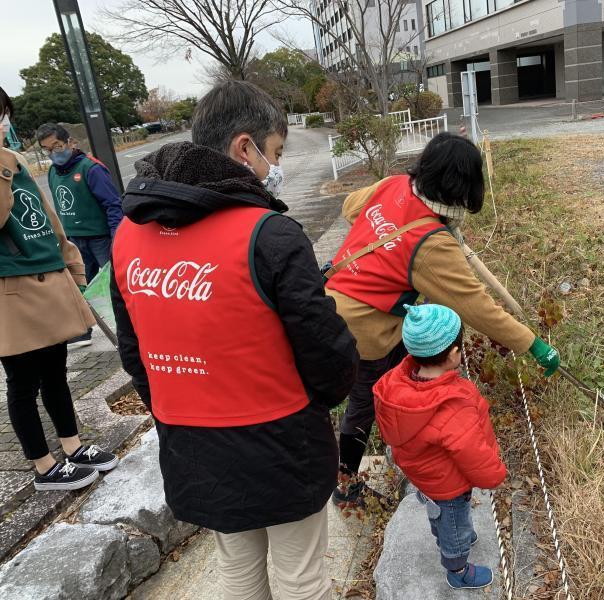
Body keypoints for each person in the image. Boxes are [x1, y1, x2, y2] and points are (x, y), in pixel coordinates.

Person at [110, 80, 359, 600]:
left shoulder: (128, 235)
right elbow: (327, 351)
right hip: (282, 440)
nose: (275, 166)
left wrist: (176, 410)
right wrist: (325, 400)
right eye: (275, 153)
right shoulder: (269, 234)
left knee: (237, 571)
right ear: (245, 147)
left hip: (192, 445)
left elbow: (134, 353)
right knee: (301, 577)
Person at [325, 132, 559, 506]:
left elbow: (351, 206)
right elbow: (478, 306)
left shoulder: (394, 185)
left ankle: (402, 449)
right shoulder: (431, 244)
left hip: (338, 303)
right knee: (366, 402)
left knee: (403, 375)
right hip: (365, 328)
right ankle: (347, 484)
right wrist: (532, 344)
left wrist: (389, 226)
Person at [0, 86, 118, 492]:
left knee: (56, 373)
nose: (3, 124)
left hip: (48, 277)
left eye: (4, 114)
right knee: (22, 384)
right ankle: (43, 465)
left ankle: (73, 445)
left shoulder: (15, 160)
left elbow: (47, 217)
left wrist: (73, 266)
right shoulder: (5, 163)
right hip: (10, 291)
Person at [374, 303, 506, 589]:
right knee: (453, 524)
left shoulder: (396, 387)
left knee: (440, 514)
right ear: (453, 354)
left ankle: (451, 531)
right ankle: (458, 570)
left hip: (425, 475)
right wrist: (494, 475)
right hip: (449, 485)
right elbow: (470, 450)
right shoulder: (452, 403)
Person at [37, 122, 123, 348]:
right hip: (74, 240)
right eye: (47, 150)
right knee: (79, 288)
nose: (53, 153)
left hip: (101, 239)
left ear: (70, 142)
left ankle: (129, 328)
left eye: (57, 146)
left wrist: (116, 237)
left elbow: (113, 205)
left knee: (115, 285)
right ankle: (83, 331)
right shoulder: (53, 172)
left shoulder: (91, 169)